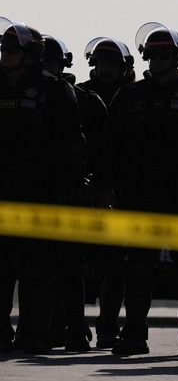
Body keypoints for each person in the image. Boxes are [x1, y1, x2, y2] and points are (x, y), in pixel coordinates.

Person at [97, 22, 178, 356]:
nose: (158, 61)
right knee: (138, 270)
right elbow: (108, 146)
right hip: (138, 195)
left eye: (165, 55)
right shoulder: (128, 96)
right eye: (153, 55)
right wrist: (104, 187)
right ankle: (134, 336)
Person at [0, 20, 85, 354]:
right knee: (2, 271)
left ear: (32, 54)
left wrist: (64, 191)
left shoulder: (54, 90)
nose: (6, 53)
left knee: (39, 271)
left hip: (42, 197)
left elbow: (74, 146)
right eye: (4, 48)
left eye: (14, 48)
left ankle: (37, 335)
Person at [41, 35, 106, 351]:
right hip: (32, 195)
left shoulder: (86, 102)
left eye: (51, 62)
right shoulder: (17, 97)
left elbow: (103, 150)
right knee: (35, 268)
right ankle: (45, 330)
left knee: (71, 268)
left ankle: (76, 330)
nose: (46, 69)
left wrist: (93, 185)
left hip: (74, 195)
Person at [81, 37, 136, 348]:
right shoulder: (80, 97)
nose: (106, 70)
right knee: (73, 265)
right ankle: (69, 326)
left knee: (114, 268)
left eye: (112, 65)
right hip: (84, 190)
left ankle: (107, 328)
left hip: (120, 192)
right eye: (102, 64)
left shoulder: (132, 97)